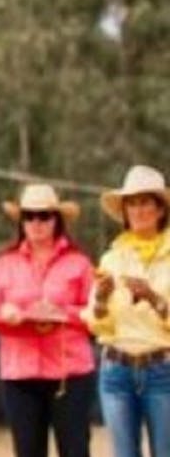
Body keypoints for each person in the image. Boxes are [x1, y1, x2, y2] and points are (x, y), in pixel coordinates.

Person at [0, 183, 96, 457]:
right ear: (21, 221)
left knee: (76, 451)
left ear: (57, 220)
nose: (36, 223)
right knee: (28, 452)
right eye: (29, 216)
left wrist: (62, 313)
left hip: (71, 375)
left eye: (44, 216)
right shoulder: (5, 263)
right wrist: (7, 316)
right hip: (21, 374)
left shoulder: (79, 263)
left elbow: (97, 315)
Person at [86, 165, 170, 457]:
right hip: (116, 370)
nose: (138, 210)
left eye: (146, 202)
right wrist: (100, 299)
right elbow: (98, 325)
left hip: (163, 369)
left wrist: (155, 299)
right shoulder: (112, 258)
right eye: (131, 203)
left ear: (160, 209)